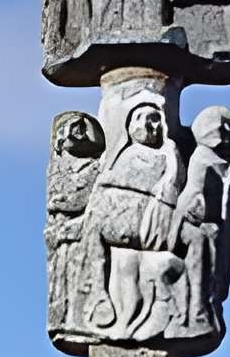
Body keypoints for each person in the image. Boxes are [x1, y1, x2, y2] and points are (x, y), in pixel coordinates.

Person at [79, 94, 185, 334]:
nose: (149, 125)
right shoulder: (124, 155)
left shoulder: (167, 155)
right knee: (94, 227)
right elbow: (107, 186)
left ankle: (97, 290)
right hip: (119, 218)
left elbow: (171, 187)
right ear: (129, 125)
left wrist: (173, 158)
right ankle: (97, 290)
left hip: (149, 223)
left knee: (95, 227)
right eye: (141, 118)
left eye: (155, 119)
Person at [175, 106, 230, 335]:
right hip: (199, 229)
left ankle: (201, 308)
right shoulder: (203, 158)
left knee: (209, 268)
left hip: (208, 231)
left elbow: (212, 204)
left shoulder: (215, 164)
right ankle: (199, 307)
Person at [45, 111, 105, 342]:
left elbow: (84, 198)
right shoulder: (56, 168)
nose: (73, 136)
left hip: (79, 233)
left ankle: (79, 319)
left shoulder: (93, 167)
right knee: (62, 281)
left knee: (78, 276)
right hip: (59, 235)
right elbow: (54, 199)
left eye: (78, 130)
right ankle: (65, 319)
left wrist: (65, 203)